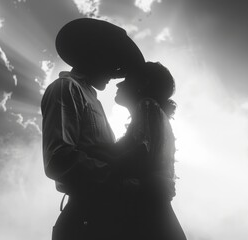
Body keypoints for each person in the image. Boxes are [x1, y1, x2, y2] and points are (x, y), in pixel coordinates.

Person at [41, 18, 144, 240]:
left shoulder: (91, 98)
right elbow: (58, 159)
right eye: (112, 63)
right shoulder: (65, 88)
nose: (115, 72)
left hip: (100, 216)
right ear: (95, 57)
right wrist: (118, 175)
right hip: (85, 220)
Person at [82, 62, 187, 240]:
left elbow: (139, 156)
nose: (118, 84)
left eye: (126, 80)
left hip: (150, 216)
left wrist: (96, 154)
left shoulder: (147, 105)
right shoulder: (151, 114)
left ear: (143, 83)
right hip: (155, 214)